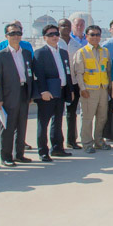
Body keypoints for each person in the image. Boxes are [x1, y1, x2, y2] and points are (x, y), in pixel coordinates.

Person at [31, 24, 72, 162]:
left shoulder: (63, 52)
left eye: (56, 34)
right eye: (50, 35)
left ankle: (57, 148)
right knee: (43, 123)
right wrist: (43, 91)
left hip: (60, 92)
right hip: (47, 94)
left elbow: (67, 73)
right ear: (44, 37)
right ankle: (43, 151)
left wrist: (69, 90)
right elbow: (39, 74)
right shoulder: (40, 53)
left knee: (58, 121)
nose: (54, 37)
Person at [0, 23, 33, 166]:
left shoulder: (26, 53)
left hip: (23, 91)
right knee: (8, 126)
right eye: (12, 34)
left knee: (22, 124)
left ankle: (19, 154)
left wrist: (30, 94)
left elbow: (30, 74)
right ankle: (6, 156)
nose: (16, 36)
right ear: (6, 36)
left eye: (18, 33)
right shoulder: (1, 56)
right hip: (8, 94)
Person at [71, 25, 110, 154]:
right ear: (86, 36)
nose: (95, 37)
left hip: (102, 89)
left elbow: (107, 71)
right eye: (92, 34)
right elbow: (78, 73)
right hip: (89, 90)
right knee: (87, 117)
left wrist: (109, 87)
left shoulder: (105, 51)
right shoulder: (81, 52)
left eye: (97, 34)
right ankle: (87, 143)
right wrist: (82, 89)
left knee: (102, 117)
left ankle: (99, 140)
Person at [62, 16, 87, 149]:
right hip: (63, 83)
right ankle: (64, 141)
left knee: (79, 112)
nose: (79, 26)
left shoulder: (78, 44)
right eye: (76, 24)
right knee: (65, 114)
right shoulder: (57, 43)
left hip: (78, 81)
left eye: (82, 24)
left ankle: (76, 139)